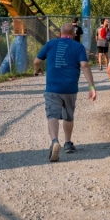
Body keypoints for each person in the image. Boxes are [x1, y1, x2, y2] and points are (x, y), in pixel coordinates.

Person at [33, 23, 97, 162]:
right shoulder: (78, 47)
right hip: (70, 88)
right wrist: (91, 87)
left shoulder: (50, 44)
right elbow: (84, 65)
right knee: (68, 115)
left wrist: (36, 70)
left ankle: (55, 141)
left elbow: (36, 61)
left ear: (60, 33)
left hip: (52, 88)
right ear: (73, 34)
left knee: (52, 115)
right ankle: (68, 143)